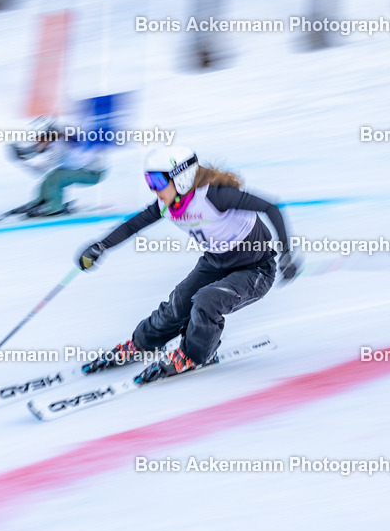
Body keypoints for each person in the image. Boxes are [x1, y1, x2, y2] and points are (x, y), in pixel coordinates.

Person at [75, 144, 299, 384]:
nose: (154, 189)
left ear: (181, 177)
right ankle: (142, 343)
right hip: (216, 262)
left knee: (207, 300)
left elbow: (271, 207)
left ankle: (194, 354)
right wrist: (101, 246)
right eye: (149, 182)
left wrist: (286, 253)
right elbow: (133, 225)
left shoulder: (215, 196)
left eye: (158, 182)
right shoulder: (167, 205)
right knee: (178, 302)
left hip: (255, 270)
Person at [6, 115, 105, 217]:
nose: (37, 140)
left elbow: (40, 169)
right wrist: (25, 153)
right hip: (89, 168)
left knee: (56, 178)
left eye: (40, 137)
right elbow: (41, 148)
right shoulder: (60, 136)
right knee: (52, 176)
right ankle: (41, 201)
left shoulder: (60, 145)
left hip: (94, 173)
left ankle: (54, 208)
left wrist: (21, 160)